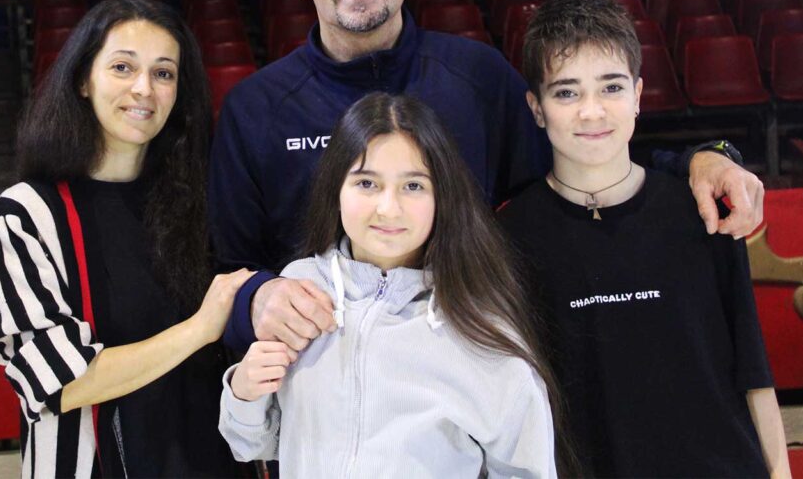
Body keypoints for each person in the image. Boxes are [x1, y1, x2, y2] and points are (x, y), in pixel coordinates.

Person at [208, 0, 765, 353]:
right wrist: (255, 300)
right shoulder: (255, 110)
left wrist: (700, 160)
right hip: (325, 382)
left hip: (467, 370)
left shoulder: (476, 77)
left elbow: (580, 172)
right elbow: (226, 269)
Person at [497, 0, 791, 478]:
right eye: (567, 92)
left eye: (610, 88)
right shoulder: (509, 237)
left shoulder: (703, 210)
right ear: (536, 108)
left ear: (637, 95)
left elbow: (753, 374)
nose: (591, 112)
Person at [219, 92, 576, 478]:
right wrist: (244, 390)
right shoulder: (299, 292)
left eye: (413, 186)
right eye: (367, 183)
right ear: (336, 188)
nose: (388, 208)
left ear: (443, 196)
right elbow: (252, 445)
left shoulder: (481, 329)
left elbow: (528, 471)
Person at [0, 0, 253, 478]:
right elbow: (60, 383)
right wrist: (199, 329)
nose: (144, 89)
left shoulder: (201, 201)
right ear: (83, 80)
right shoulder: (26, 215)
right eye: (123, 67)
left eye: (164, 74)